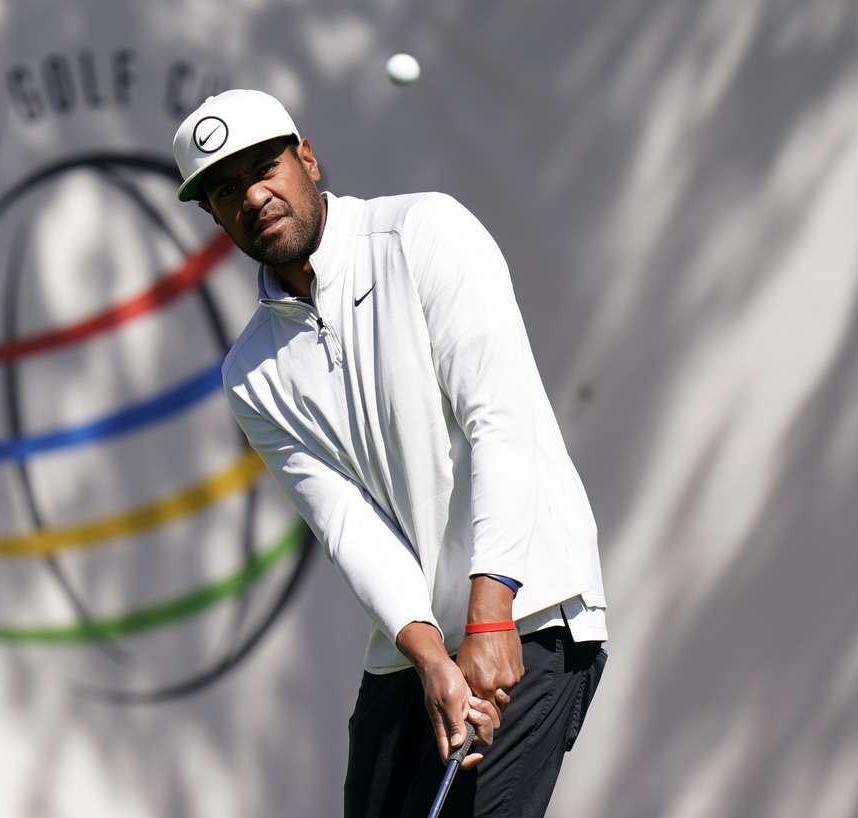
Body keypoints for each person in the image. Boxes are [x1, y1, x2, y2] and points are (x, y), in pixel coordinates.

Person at [172, 89, 608, 817]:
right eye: (225, 188)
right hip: (415, 649)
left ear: (305, 157)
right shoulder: (250, 370)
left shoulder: (423, 233)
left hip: (530, 610)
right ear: (212, 215)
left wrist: (492, 621)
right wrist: (433, 656)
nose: (254, 195)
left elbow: (501, 422)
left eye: (265, 167)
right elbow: (348, 526)